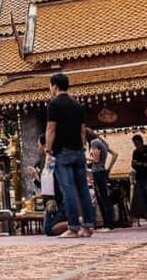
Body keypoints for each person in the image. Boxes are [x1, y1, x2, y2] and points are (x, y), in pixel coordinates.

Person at [44, 72, 95, 238]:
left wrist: (48, 151)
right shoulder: (78, 105)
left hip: (62, 152)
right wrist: (81, 148)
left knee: (69, 191)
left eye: (50, 86)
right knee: (83, 190)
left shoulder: (54, 105)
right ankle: (88, 226)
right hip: (78, 151)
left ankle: (73, 227)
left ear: (55, 86)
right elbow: (82, 131)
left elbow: (51, 129)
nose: (50, 89)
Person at [85, 128, 117, 231]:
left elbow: (95, 159)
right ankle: (108, 224)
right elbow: (115, 154)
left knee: (103, 198)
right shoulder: (101, 142)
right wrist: (109, 169)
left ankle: (109, 225)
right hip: (102, 171)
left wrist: (84, 157)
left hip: (98, 172)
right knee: (104, 198)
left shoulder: (94, 142)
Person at [130, 134, 147, 228]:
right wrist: (136, 164)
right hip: (139, 178)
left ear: (141, 142)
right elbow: (133, 164)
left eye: (137, 143)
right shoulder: (135, 152)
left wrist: (143, 164)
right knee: (143, 200)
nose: (136, 146)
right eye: (135, 144)